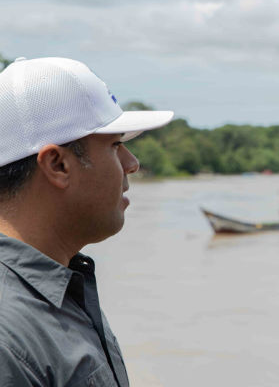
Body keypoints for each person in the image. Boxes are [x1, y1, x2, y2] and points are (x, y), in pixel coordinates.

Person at [0, 57, 174, 386]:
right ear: (57, 165)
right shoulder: (9, 333)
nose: (132, 163)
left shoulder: (61, 287)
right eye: (115, 145)